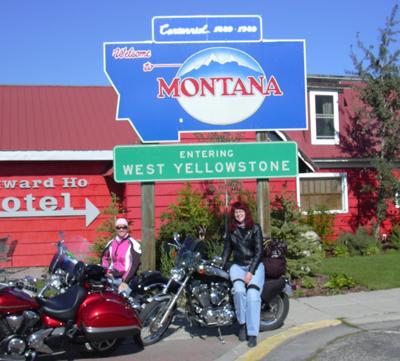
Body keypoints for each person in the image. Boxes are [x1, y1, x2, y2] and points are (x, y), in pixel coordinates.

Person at [221, 201, 265, 348]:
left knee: (252, 296)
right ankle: (242, 324)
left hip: (255, 266)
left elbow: (259, 252)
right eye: (236, 212)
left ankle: (252, 334)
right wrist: (219, 265)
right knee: (239, 291)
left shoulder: (255, 228)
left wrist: (251, 271)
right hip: (238, 266)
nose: (239, 214)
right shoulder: (231, 230)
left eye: (241, 211)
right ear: (233, 215)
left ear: (246, 212)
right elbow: (226, 251)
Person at [101, 217, 142, 293]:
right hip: (112, 277)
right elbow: (104, 257)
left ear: (127, 228)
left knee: (126, 303)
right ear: (116, 229)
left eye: (124, 227)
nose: (121, 229)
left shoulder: (133, 244)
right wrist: (105, 271)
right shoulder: (111, 243)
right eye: (118, 227)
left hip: (126, 280)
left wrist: (125, 281)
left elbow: (134, 264)